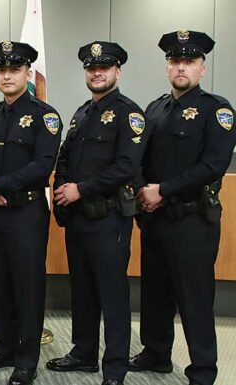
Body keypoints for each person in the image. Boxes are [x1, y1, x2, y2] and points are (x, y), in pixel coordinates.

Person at [129, 30, 236, 385]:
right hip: (156, 218)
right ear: (167, 67)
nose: (181, 67)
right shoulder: (155, 108)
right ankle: (156, 353)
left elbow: (213, 165)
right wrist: (143, 189)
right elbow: (138, 157)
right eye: (175, 61)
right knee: (155, 291)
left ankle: (203, 371)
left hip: (192, 220)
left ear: (202, 68)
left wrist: (165, 190)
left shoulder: (216, 110)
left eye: (189, 61)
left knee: (194, 297)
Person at [46, 42, 147, 385]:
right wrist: (60, 192)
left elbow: (126, 167)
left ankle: (115, 368)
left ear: (118, 71)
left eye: (104, 68)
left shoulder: (129, 114)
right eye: (91, 68)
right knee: (83, 290)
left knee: (112, 295)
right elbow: (64, 158)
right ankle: (84, 352)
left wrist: (80, 189)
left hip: (109, 220)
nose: (97, 73)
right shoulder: (81, 114)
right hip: (78, 219)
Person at [0, 41, 62, 385]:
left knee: (27, 285)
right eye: (1, 70)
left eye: (14, 69)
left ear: (28, 73)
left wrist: (0, 186)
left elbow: (42, 165)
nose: (7, 75)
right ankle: (3, 346)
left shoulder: (45, 115)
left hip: (26, 213)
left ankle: (27, 358)